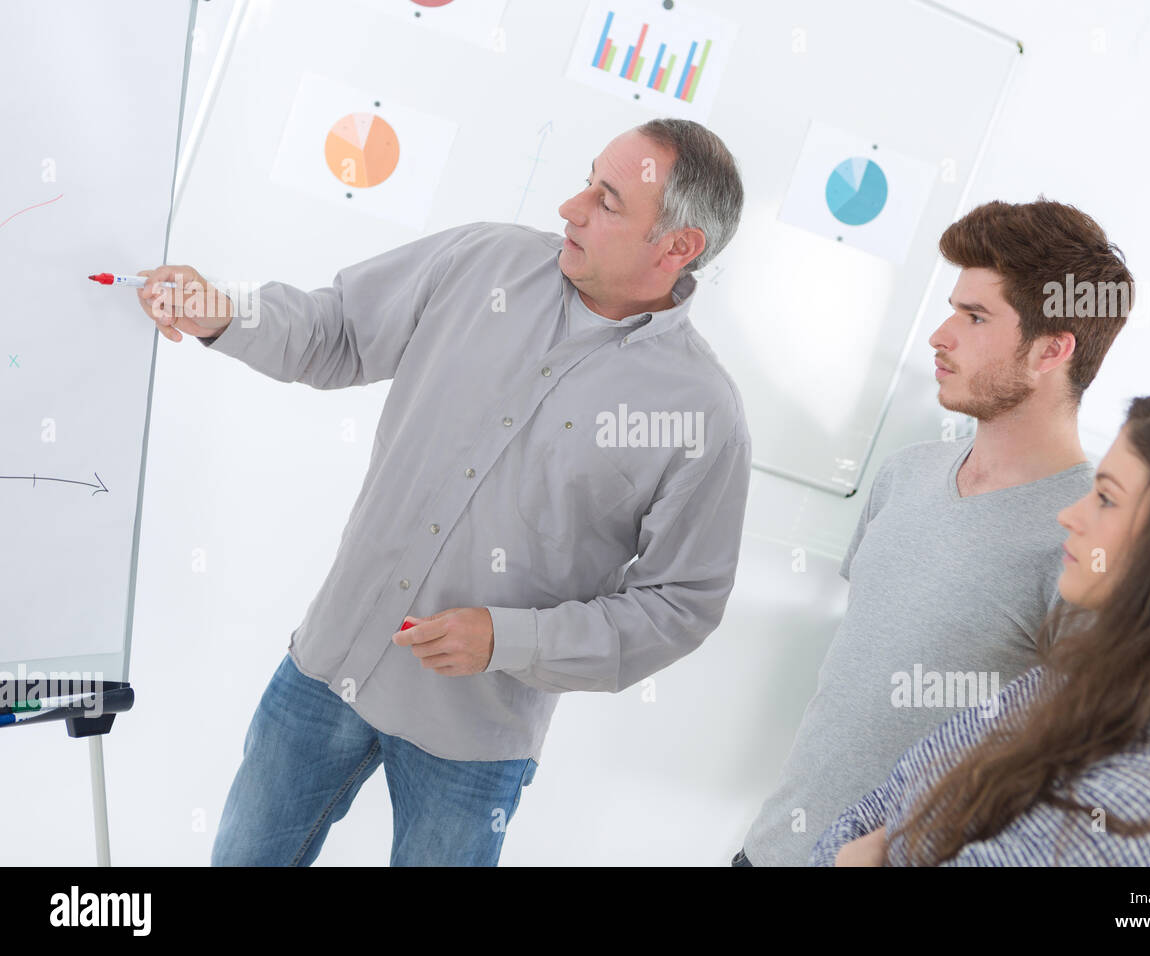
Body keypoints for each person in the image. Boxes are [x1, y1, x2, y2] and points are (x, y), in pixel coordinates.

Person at [136, 119, 751, 866]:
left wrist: (509, 639)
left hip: (474, 741)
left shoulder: (703, 415)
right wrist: (228, 310)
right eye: (587, 178)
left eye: (607, 200)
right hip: (327, 668)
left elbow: (678, 605)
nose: (570, 206)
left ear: (678, 247)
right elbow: (338, 331)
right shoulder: (482, 261)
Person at [737, 199, 1134, 866]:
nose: (939, 336)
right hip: (770, 848)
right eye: (953, 307)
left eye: (975, 317)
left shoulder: (1087, 543)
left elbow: (1069, 771)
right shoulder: (904, 475)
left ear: (1051, 350)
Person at [813, 386, 1150, 866]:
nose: (1069, 515)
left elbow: (882, 833)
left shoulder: (1148, 810)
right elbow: (886, 806)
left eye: (1106, 499)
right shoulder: (1070, 682)